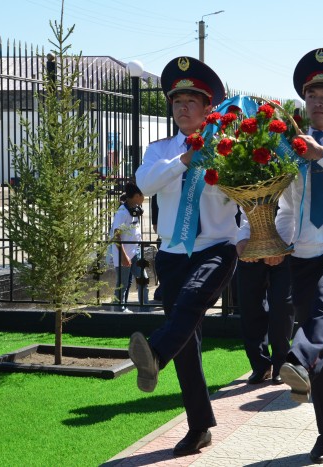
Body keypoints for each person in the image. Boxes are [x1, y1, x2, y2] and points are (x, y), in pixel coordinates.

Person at [239, 48, 323, 464]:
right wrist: (261, 239)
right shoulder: (287, 148)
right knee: (322, 354)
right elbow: (285, 206)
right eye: (311, 95)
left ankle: (295, 356)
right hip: (302, 255)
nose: (317, 102)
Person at [129, 56, 239, 457]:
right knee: (188, 344)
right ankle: (199, 427)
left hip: (216, 248)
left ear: (209, 107)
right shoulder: (160, 150)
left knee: (192, 302)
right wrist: (184, 160)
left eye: (192, 101)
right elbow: (145, 184)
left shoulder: (229, 149)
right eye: (177, 101)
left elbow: (251, 193)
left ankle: (156, 352)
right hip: (173, 253)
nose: (183, 108)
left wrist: (246, 236)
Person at [234, 230, 295, 385]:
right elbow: (239, 217)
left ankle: (281, 364)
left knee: (282, 307)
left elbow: (290, 216)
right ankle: (260, 366)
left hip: (283, 243)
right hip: (250, 244)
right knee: (250, 306)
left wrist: (279, 244)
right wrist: (241, 238)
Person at [108, 182, 149, 312]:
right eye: (143, 195)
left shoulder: (134, 209)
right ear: (137, 196)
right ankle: (118, 310)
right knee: (123, 284)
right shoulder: (122, 213)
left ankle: (145, 308)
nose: (144, 198)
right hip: (124, 254)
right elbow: (116, 236)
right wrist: (124, 256)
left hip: (135, 252)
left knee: (143, 279)